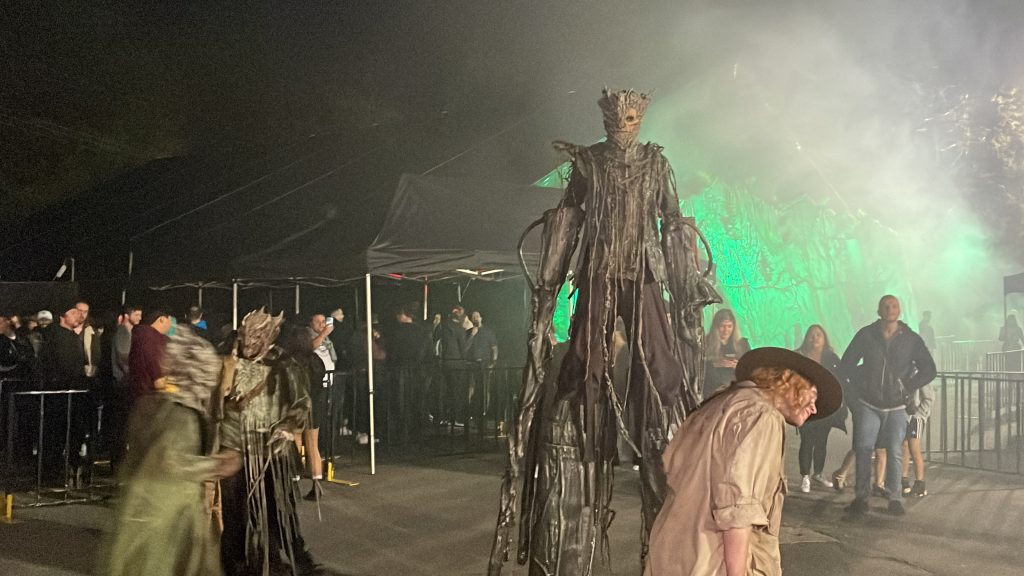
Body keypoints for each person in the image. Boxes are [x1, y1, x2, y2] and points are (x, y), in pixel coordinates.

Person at [489, 88, 720, 575]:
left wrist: (687, 284)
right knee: (586, 349)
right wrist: (549, 283)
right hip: (597, 268)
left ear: (641, 118)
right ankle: (581, 402)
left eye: (630, 116)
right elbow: (568, 215)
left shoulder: (657, 165)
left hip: (645, 270)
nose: (622, 123)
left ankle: (661, 410)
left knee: (658, 357)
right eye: (614, 116)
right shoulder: (589, 162)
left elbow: (674, 220)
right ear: (604, 118)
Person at [645, 347, 842, 576]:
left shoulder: (722, 403)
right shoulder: (762, 416)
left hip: (673, 552)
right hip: (712, 561)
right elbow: (738, 506)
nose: (814, 408)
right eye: (813, 395)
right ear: (788, 380)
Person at [97, 324, 240, 576]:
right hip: (167, 514)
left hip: (140, 510)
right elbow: (170, 459)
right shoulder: (182, 415)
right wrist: (217, 465)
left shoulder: (152, 403)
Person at [218, 308, 321, 576]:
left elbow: (301, 401)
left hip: (270, 451)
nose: (249, 344)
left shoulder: (283, 363)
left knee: (278, 512)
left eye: (256, 338)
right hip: (234, 448)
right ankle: (236, 565)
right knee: (234, 515)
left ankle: (293, 559)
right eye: (245, 337)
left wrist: (287, 426)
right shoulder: (228, 361)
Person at [842, 295, 936, 516]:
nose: (889, 309)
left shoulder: (910, 339)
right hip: (868, 403)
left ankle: (895, 498)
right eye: (886, 305)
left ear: (899, 310)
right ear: (878, 310)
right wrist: (856, 392)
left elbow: (929, 369)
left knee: (895, 451)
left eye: (893, 305)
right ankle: (861, 498)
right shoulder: (866, 335)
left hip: (896, 406)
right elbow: (846, 364)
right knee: (864, 449)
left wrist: (909, 386)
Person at [794, 325, 845, 493]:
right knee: (807, 441)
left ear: (824, 339)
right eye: (812, 335)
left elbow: (841, 380)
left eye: (819, 335)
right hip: (805, 407)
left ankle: (818, 473)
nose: (815, 338)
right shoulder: (799, 356)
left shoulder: (831, 357)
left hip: (825, 407)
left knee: (822, 442)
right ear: (806, 338)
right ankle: (805, 476)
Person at [304, 313, 336, 498]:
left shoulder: (326, 341)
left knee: (311, 441)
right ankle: (306, 477)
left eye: (324, 321)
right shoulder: (310, 340)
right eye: (318, 321)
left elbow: (333, 357)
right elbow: (312, 346)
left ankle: (315, 483)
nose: (322, 324)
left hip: (317, 393)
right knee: (302, 439)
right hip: (310, 396)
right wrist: (323, 334)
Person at [704, 308, 751, 397]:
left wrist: (738, 366)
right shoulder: (706, 343)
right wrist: (715, 364)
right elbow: (698, 369)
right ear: (716, 327)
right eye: (722, 326)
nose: (726, 330)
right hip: (713, 389)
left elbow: (751, 368)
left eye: (729, 326)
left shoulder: (742, 344)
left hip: (737, 389)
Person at [128, 309, 172, 400]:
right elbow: (158, 381)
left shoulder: (139, 335)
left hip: (136, 395)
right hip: (151, 398)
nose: (171, 325)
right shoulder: (153, 340)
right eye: (170, 320)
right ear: (162, 319)